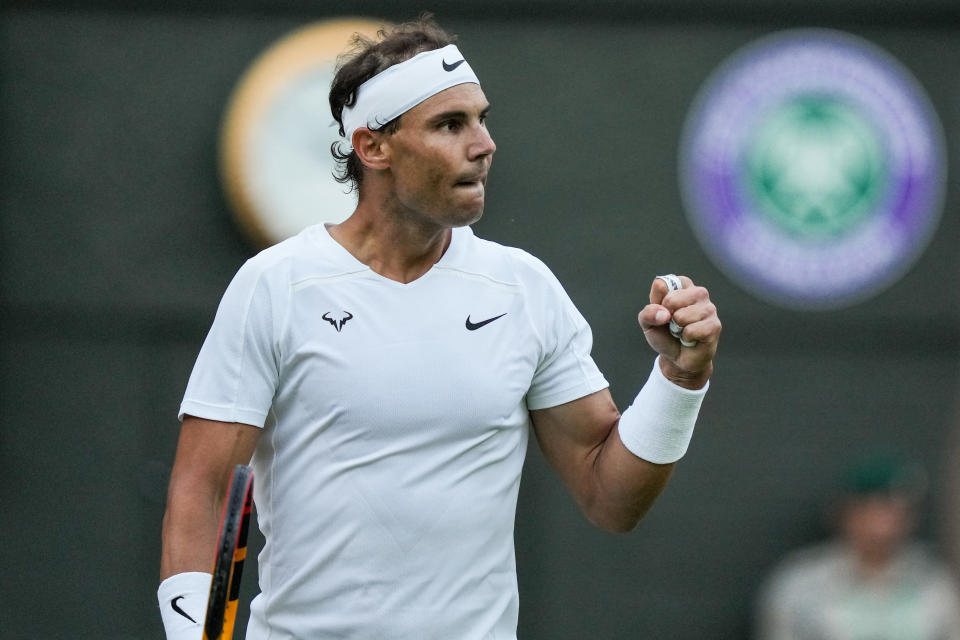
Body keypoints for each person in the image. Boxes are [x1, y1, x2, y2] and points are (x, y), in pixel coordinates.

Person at [158, 15, 722, 640]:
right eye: (450, 125)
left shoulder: (523, 289)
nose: (484, 144)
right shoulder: (276, 285)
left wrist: (678, 379)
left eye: (481, 118)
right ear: (373, 147)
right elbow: (203, 492)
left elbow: (611, 498)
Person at [755, 450, 960, 640]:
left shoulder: (934, 581)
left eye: (900, 510)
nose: (889, 523)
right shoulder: (800, 583)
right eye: (878, 508)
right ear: (847, 512)